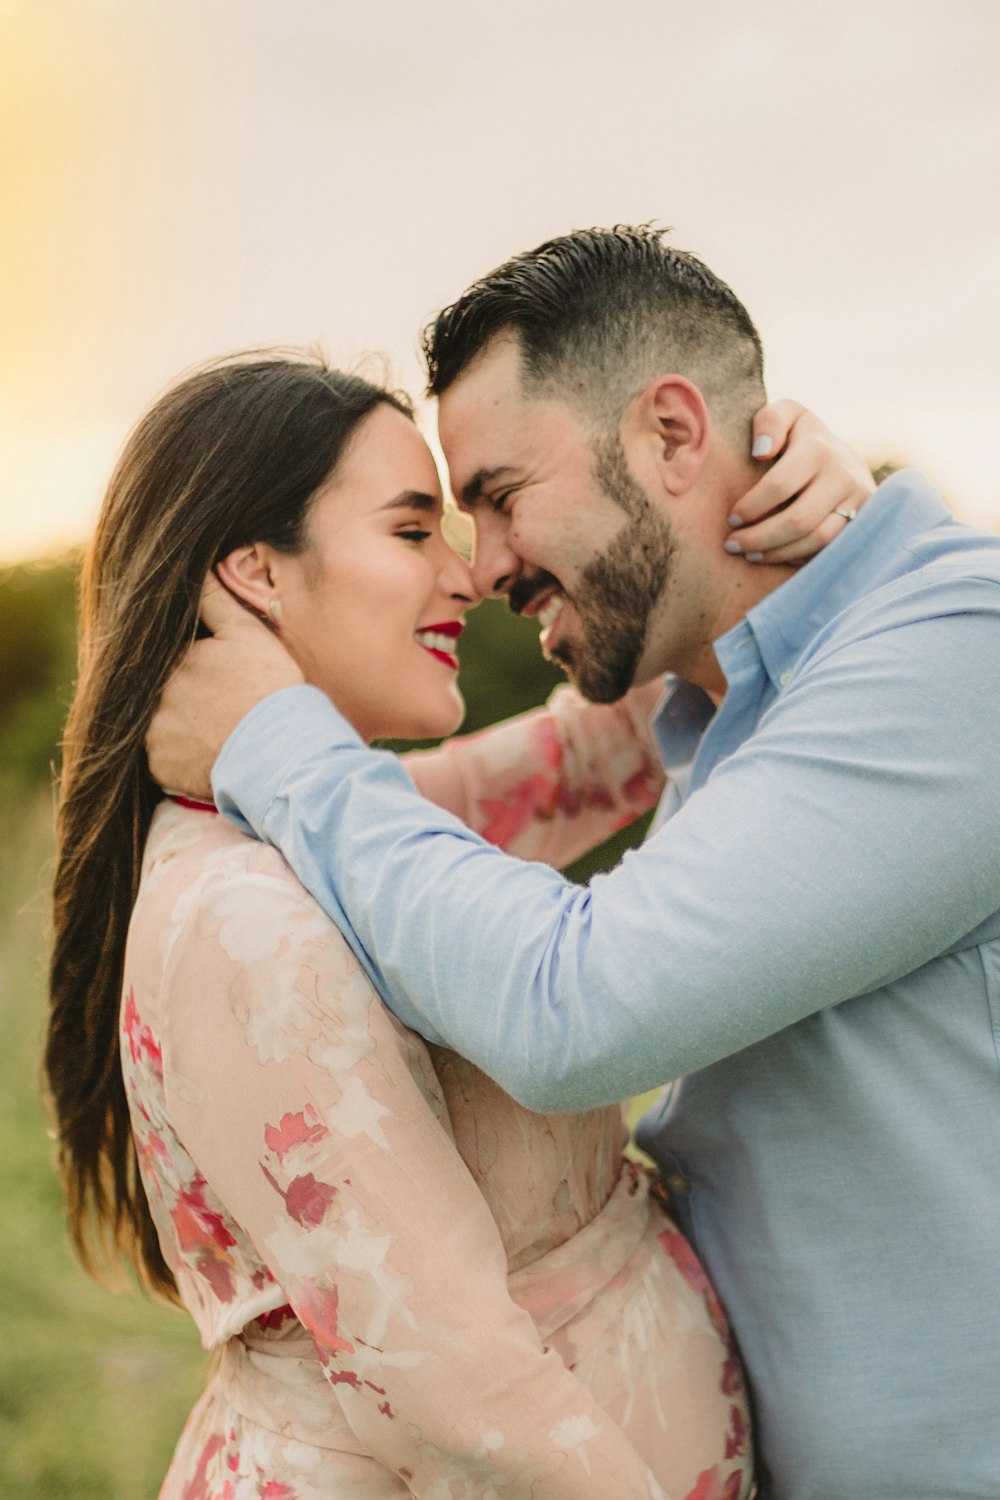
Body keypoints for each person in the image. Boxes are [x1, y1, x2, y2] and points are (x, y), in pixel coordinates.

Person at [147, 228, 1000, 1500]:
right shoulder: (727, 699)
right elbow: (464, 812)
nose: (479, 571)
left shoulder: (951, 661)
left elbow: (575, 1009)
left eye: (493, 497)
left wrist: (282, 743)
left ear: (668, 435)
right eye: (425, 521)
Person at [46, 351, 863, 1499]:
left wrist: (770, 510)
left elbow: (604, 745)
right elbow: (457, 1401)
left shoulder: (334, 824)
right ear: (253, 572)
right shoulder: (241, 919)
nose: (468, 576)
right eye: (412, 530)